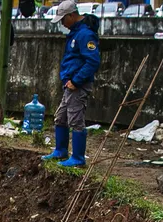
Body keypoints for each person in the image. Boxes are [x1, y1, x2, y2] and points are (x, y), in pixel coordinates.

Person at [41, 0, 102, 168]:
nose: (62, 23)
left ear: (71, 15)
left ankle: (78, 158)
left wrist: (76, 81)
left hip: (78, 85)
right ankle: (60, 150)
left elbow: (92, 62)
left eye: (63, 19)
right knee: (61, 118)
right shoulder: (75, 33)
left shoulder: (85, 35)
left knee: (76, 120)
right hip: (69, 84)